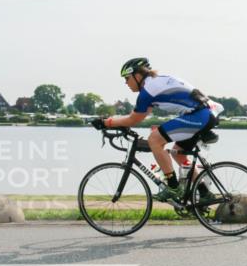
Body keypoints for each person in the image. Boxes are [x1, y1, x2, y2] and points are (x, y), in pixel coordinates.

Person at [93, 57, 221, 202]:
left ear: (138, 75)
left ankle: (173, 188)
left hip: (199, 115)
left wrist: (106, 123)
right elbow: (137, 115)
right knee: (178, 154)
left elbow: (134, 119)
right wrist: (115, 122)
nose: (126, 83)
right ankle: (204, 193)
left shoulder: (147, 91)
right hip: (206, 113)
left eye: (127, 78)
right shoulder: (155, 83)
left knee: (154, 139)